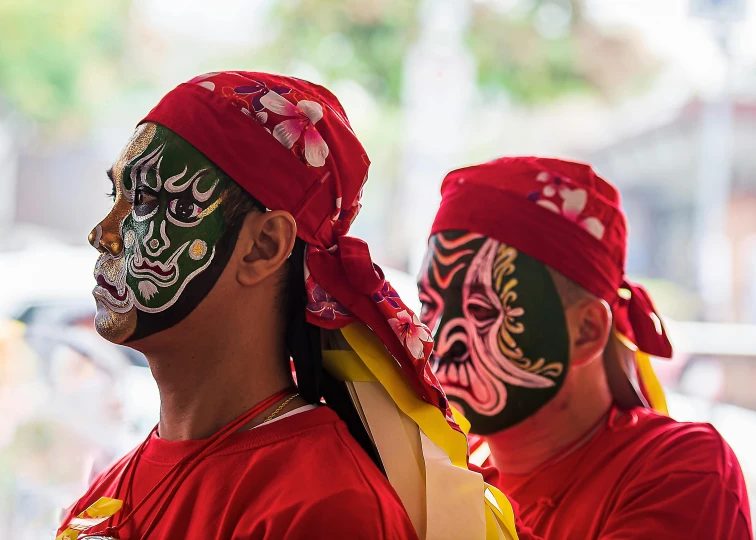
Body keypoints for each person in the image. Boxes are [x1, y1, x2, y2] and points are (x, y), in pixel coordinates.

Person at [57, 71, 516, 540]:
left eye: (150, 201)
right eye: (116, 196)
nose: (103, 234)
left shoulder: (328, 510)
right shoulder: (105, 493)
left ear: (264, 246)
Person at [418, 156, 752, 539]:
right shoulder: (447, 464)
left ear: (586, 331)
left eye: (482, 309)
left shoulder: (682, 470)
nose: (438, 338)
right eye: (428, 304)